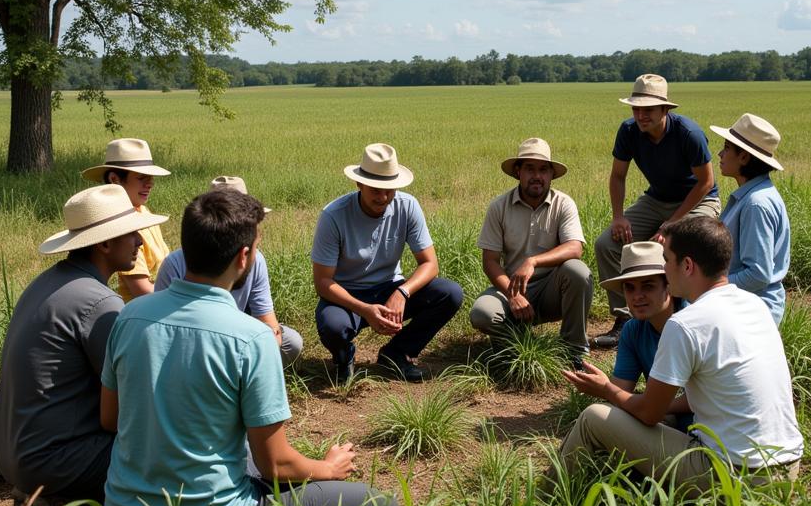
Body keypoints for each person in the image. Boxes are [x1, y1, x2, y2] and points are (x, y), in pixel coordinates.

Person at [102, 187, 398, 506]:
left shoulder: (129, 317)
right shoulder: (250, 337)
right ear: (244, 257)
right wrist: (328, 469)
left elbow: (110, 418)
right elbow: (277, 465)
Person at [558, 217, 804, 493]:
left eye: (666, 259)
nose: (664, 267)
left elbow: (650, 414)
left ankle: (549, 502)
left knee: (593, 418)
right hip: (786, 470)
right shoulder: (755, 304)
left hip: (734, 476)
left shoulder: (686, 322)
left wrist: (605, 389)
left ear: (687, 266)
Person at [0, 185, 168, 506]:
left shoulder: (48, 282)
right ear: (104, 243)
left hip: (14, 455)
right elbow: (132, 399)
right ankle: (72, 505)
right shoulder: (99, 302)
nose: (141, 243)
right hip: (55, 460)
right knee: (170, 450)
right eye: (132, 235)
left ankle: (53, 495)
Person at [311, 143, 463, 382]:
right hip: (348, 293)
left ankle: (397, 353)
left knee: (449, 293)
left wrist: (402, 292)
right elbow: (322, 282)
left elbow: (430, 264)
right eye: (375, 189)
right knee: (332, 325)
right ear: (359, 184)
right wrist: (365, 310)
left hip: (390, 287)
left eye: (389, 189)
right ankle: (344, 357)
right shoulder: (334, 215)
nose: (383, 197)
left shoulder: (407, 205)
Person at [593, 74, 720, 348]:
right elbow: (617, 176)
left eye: (648, 109)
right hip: (657, 199)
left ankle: (686, 318)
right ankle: (625, 319)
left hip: (699, 200)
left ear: (665, 109)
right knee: (607, 244)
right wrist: (618, 217)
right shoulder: (628, 131)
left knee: (679, 244)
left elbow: (706, 182)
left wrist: (671, 224)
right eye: (636, 108)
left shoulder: (689, 134)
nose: (640, 115)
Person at [470, 138, 593, 368]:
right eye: (530, 168)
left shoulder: (563, 203)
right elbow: (490, 261)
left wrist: (533, 261)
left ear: (551, 175)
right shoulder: (499, 206)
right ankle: (514, 349)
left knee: (578, 271)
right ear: (518, 172)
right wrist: (512, 294)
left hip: (552, 289)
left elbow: (575, 248)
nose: (537, 176)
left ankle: (573, 350)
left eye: (543, 169)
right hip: (512, 287)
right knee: (482, 313)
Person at [156, 176, 303, 366]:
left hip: (238, 333)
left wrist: (268, 343)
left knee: (291, 342)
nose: (258, 234)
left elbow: (267, 319)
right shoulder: (175, 263)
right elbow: (163, 329)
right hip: (187, 340)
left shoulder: (256, 260)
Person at [595, 241, 690, 430]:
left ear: (669, 286)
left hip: (710, 433)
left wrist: (647, 407)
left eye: (647, 286)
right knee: (600, 416)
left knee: (594, 418)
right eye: (629, 288)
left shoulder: (692, 323)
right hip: (664, 421)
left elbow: (701, 400)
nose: (637, 296)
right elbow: (621, 391)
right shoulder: (633, 330)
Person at [709, 113, 790, 325]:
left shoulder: (756, 204)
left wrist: (710, 286)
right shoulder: (752, 196)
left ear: (744, 157)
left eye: (727, 148)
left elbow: (758, 274)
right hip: (743, 304)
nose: (720, 153)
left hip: (752, 312)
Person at [82, 138, 171, 301]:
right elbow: (143, 291)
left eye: (151, 177)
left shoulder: (143, 212)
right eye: (141, 177)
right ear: (115, 179)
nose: (150, 184)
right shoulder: (121, 225)